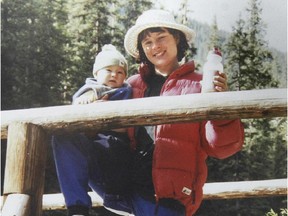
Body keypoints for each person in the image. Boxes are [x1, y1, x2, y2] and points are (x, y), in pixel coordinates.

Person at [52, 9, 244, 216]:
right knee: (65, 135)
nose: (155, 46)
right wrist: (89, 103)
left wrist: (222, 106)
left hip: (167, 198)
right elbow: (98, 120)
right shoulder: (131, 85)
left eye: (161, 38)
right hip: (121, 185)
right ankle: (78, 210)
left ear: (177, 39)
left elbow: (220, 148)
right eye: (148, 42)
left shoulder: (199, 84)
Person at [52, 44, 134, 216]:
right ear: (96, 73)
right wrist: (87, 102)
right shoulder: (88, 91)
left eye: (120, 72)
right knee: (62, 138)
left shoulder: (126, 91)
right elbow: (78, 109)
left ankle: (115, 197)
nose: (114, 75)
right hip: (95, 147)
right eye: (109, 70)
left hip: (116, 150)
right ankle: (77, 208)